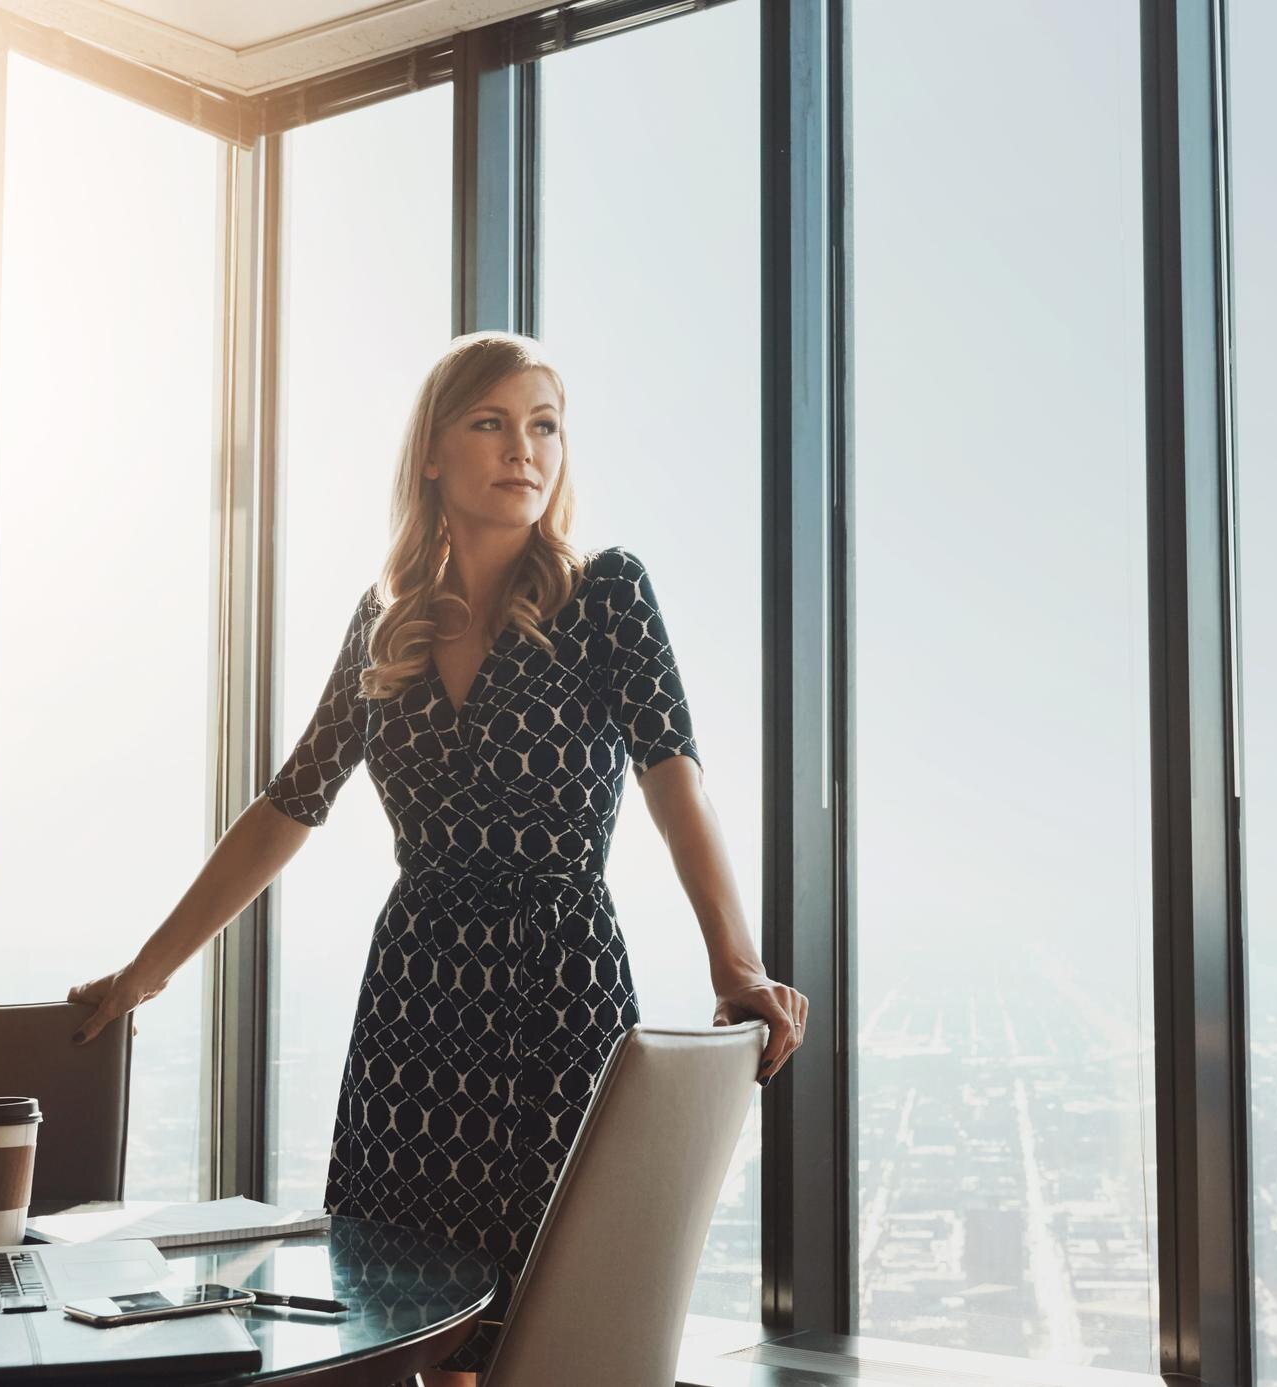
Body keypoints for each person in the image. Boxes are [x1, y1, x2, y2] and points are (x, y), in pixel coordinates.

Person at [67, 331, 807, 1383]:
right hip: (416, 998)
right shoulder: (384, 622)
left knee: (545, 1315)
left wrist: (733, 964)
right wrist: (146, 972)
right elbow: (289, 804)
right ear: (431, 452)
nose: (524, 449)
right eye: (490, 423)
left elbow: (671, 775)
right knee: (419, 1327)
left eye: (543, 425)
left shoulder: (607, 594)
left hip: (558, 982)